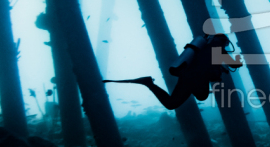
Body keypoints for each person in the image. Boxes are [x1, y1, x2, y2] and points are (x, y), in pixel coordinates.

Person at [103, 34, 243, 110]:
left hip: (186, 76)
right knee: (199, 97)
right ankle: (148, 84)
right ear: (223, 42)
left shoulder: (202, 48)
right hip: (195, 79)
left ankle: (148, 83)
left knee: (172, 103)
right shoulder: (219, 50)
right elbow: (235, 64)